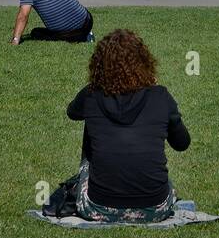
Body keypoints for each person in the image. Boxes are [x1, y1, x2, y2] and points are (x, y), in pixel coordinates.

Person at [63, 29, 190, 223]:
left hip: (97, 206)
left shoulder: (91, 95)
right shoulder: (160, 96)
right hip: (155, 207)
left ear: (99, 66)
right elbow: (182, 143)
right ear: (144, 63)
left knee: (92, 125)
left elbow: (72, 112)